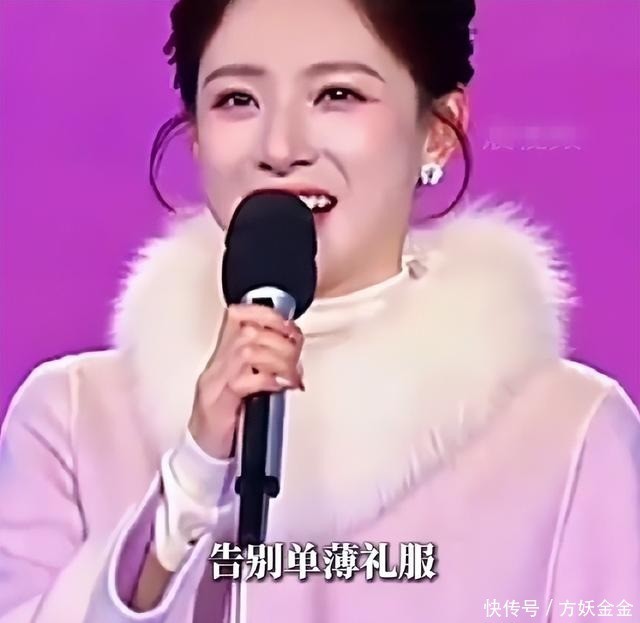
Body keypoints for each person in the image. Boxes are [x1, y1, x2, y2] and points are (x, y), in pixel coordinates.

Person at [0, 0, 638, 621]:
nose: (280, 147)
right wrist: (189, 484)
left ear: (440, 130)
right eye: (237, 100)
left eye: (337, 94)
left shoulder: (571, 435)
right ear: (195, 134)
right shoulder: (72, 421)